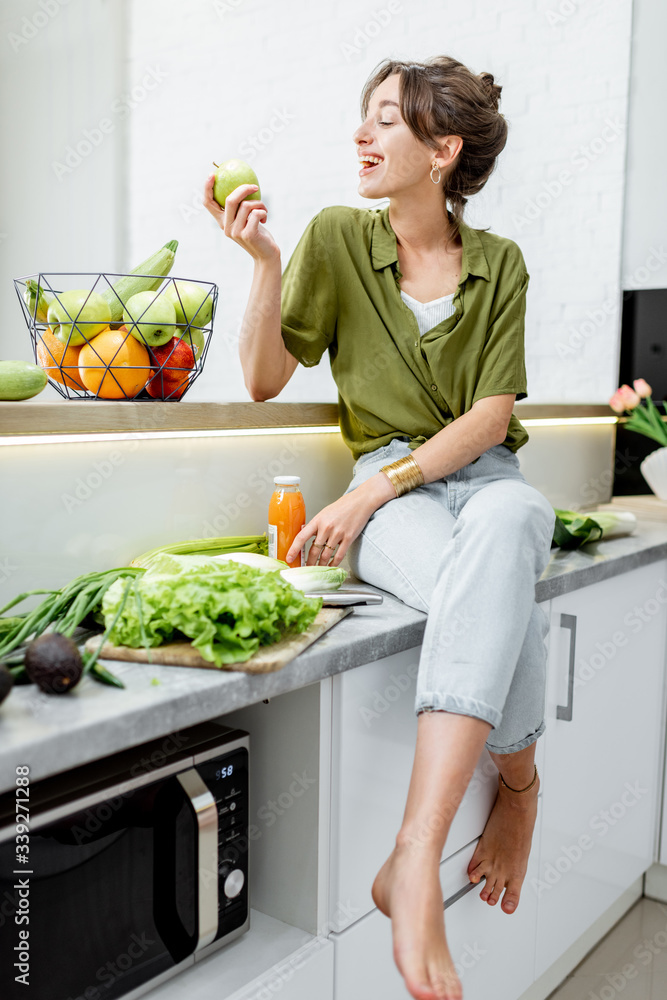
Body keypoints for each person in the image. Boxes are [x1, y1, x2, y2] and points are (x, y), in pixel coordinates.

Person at [204, 54, 556, 1000]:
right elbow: (266, 378)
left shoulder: (498, 265)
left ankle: (415, 851)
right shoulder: (332, 237)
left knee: (515, 514)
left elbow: (489, 419)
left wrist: (366, 494)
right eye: (362, 118)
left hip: (473, 481)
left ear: (442, 151)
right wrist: (266, 265)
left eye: (386, 121)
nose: (362, 135)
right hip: (391, 495)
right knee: (491, 588)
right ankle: (518, 790)